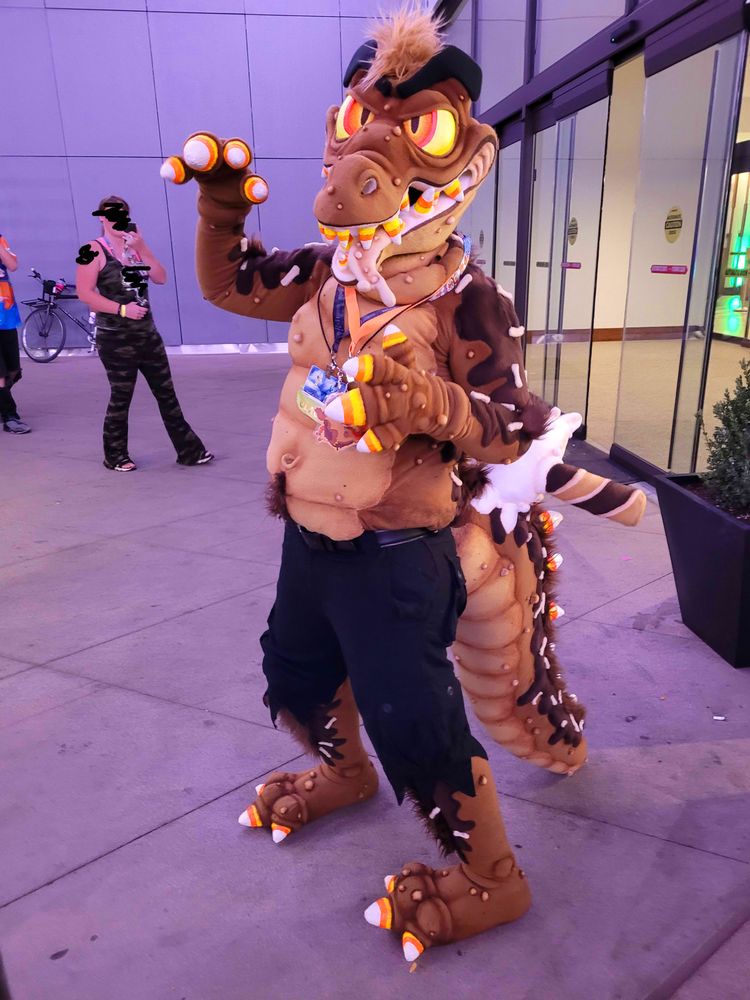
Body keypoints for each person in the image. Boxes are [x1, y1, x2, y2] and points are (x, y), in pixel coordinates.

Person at [75, 195, 212, 471]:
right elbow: (84, 294)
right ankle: (115, 455)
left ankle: (189, 450)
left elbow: (160, 277)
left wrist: (143, 247)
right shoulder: (91, 250)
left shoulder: (135, 248)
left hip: (147, 336)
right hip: (115, 338)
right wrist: (122, 309)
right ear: (102, 218)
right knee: (121, 396)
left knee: (166, 394)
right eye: (110, 214)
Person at [0, 230, 30, 434]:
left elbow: (12, 265)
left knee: (14, 370)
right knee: (0, 373)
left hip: (6, 314)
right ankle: (10, 416)